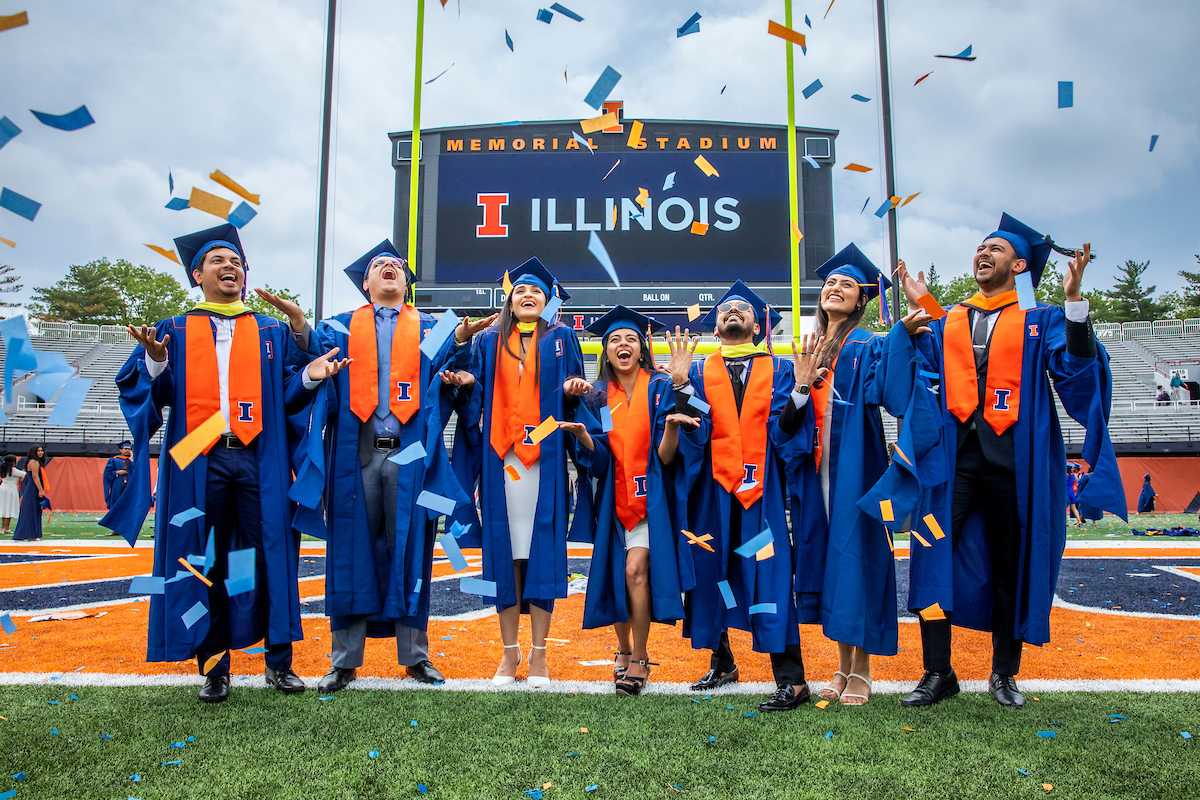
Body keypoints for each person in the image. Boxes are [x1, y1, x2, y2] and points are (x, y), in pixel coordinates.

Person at [101, 223, 345, 703]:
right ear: (198, 275)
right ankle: (215, 668)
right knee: (201, 557)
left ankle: (280, 663)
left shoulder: (269, 329)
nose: (229, 266)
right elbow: (152, 395)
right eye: (217, 261)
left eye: (236, 261)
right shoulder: (174, 329)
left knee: (272, 552)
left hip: (258, 452)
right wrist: (154, 363)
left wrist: (312, 377)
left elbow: (288, 396)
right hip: (197, 452)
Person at [896, 213, 1126, 708]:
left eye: (996, 249)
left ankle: (1003, 673)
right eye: (980, 247)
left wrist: (1074, 305)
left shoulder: (1041, 320)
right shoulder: (950, 318)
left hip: (1013, 463)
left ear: (1019, 265)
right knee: (930, 556)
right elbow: (922, 364)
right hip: (952, 464)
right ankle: (938, 672)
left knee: (1010, 564)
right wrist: (921, 309)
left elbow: (1076, 368)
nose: (984, 253)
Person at [302, 241, 494, 693]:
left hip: (410, 452)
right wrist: (297, 330)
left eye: (397, 266)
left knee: (413, 550)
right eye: (378, 266)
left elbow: (456, 365)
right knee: (350, 549)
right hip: (356, 451)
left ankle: (415, 655)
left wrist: (463, 352)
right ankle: (344, 660)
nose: (389, 268)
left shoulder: (431, 327)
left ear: (407, 283)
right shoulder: (339, 329)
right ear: (365, 283)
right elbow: (306, 362)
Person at [790, 245, 941, 707]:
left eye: (847, 286)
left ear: (861, 300)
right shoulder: (811, 349)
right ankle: (841, 664)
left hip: (856, 466)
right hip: (814, 472)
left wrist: (904, 329)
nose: (835, 289)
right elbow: (789, 413)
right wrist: (800, 381)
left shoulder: (868, 343)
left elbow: (893, 391)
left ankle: (863, 669)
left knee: (858, 559)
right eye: (831, 283)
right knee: (833, 563)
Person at [442, 258, 589, 687]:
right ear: (509, 300)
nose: (528, 296)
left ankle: (539, 656)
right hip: (501, 459)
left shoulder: (562, 338)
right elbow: (472, 388)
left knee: (541, 557)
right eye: (521, 291)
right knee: (504, 558)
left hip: (544, 459)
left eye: (537, 293)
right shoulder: (489, 339)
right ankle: (509, 656)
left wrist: (571, 389)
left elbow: (577, 389)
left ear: (547, 302)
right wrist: (470, 383)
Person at [672, 281, 813, 713]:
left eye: (742, 310)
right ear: (716, 327)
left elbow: (783, 432)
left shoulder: (781, 369)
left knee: (768, 573)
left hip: (759, 493)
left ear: (756, 325)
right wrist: (679, 385)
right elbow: (695, 432)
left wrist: (802, 392)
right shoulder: (698, 370)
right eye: (725, 310)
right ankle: (724, 662)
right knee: (714, 568)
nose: (733, 312)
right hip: (713, 494)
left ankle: (793, 680)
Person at [569, 306, 697, 696]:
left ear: (642, 348)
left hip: (650, 500)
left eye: (630, 339)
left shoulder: (659, 387)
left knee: (634, 570)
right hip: (612, 498)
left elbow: (665, 456)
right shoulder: (597, 398)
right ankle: (623, 650)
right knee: (614, 573)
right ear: (605, 351)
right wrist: (584, 437)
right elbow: (601, 459)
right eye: (613, 340)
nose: (622, 345)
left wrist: (672, 426)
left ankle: (640, 657)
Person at [13, 445, 47, 541]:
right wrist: (40, 490)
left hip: (32, 487)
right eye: (39, 451)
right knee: (31, 510)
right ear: (34, 452)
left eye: (42, 451)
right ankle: (30, 534)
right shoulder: (35, 462)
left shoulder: (31, 461)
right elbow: (35, 476)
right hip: (33, 488)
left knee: (32, 510)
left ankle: (30, 534)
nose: (41, 452)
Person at [103, 441, 133, 534]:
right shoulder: (114, 460)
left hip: (129, 487)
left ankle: (127, 529)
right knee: (116, 506)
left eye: (129, 449)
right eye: (125, 449)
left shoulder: (132, 461)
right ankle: (116, 529)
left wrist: (132, 460)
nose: (127, 451)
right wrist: (117, 472)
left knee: (128, 507)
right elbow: (107, 473)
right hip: (118, 486)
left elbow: (137, 472)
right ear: (121, 450)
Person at [0, 455, 26, 535]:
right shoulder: (13, 470)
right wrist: (24, 470)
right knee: (9, 508)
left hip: (3, 487)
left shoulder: (3, 468)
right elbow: (24, 474)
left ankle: (3, 527)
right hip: (11, 489)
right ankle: (6, 527)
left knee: (4, 508)